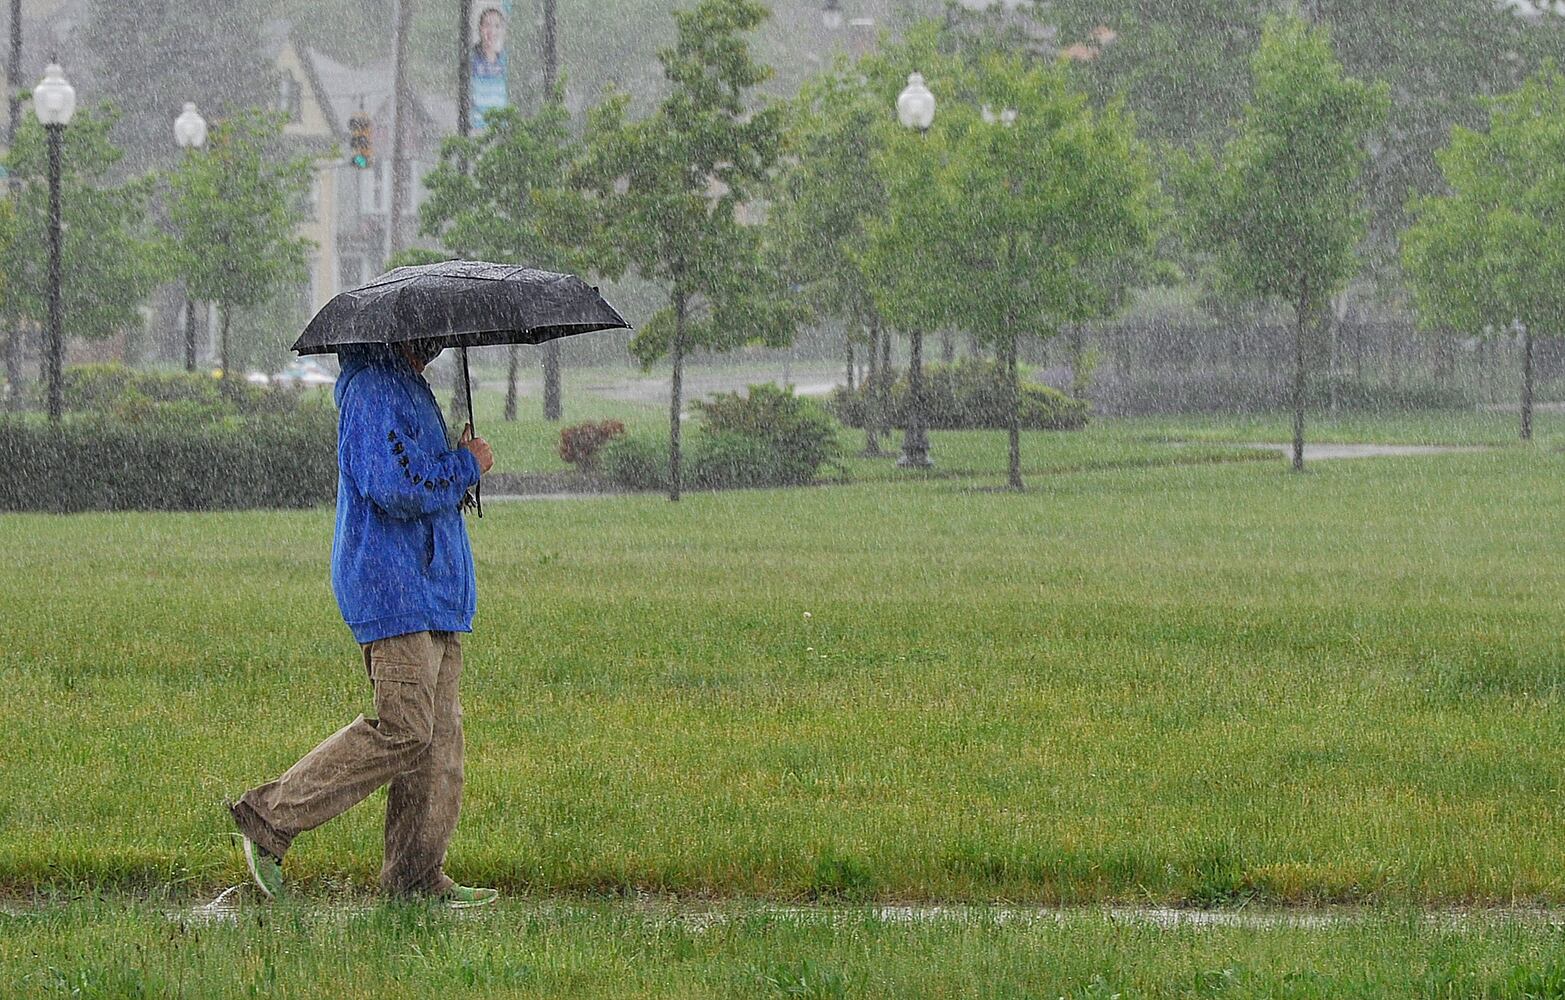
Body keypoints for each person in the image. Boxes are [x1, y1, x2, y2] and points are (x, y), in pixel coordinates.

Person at [228, 338, 498, 907]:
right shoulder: (374, 389)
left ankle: (415, 880)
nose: (442, 344)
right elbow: (395, 485)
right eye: (434, 332)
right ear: (403, 329)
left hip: (435, 591)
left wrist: (456, 468)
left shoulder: (407, 383)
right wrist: (465, 465)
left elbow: (415, 476)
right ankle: (270, 819)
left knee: (438, 745)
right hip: (393, 588)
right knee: (404, 728)